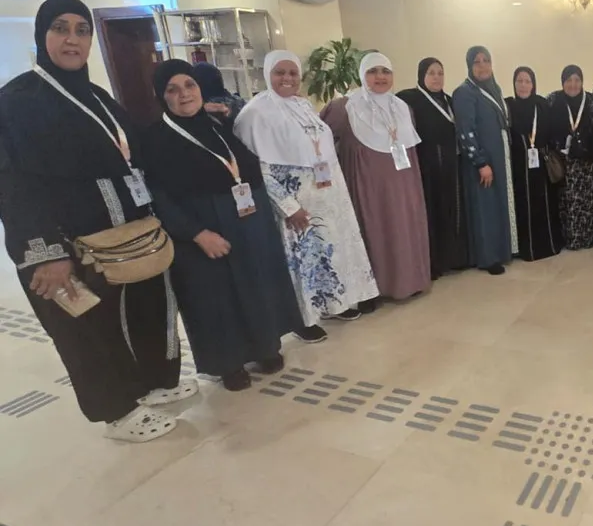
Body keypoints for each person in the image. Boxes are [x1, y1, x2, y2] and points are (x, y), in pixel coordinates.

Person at [0, 0, 191, 442]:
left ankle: (150, 384)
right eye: (60, 28)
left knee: (137, 313)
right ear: (42, 35)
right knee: (88, 330)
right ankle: (117, 413)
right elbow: (12, 183)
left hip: (125, 237)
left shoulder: (97, 96)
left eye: (81, 30)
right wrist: (46, 253)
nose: (72, 39)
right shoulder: (17, 102)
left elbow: (133, 150)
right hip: (67, 245)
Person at [142, 60, 303, 391]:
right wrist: (197, 234)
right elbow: (159, 198)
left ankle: (265, 346)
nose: (184, 94)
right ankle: (229, 364)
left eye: (190, 85)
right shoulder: (154, 140)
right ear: (161, 97)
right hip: (202, 229)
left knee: (256, 286)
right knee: (216, 299)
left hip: (247, 220)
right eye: (173, 90)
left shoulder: (216, 125)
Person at [234, 50, 378, 342]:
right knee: (301, 260)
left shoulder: (302, 105)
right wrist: (288, 207)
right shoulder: (254, 113)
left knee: (330, 254)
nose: (287, 78)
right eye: (280, 72)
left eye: (293, 73)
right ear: (267, 74)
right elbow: (256, 168)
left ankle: (333, 304)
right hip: (295, 201)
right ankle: (302, 318)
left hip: (326, 194)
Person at [321, 52, 431, 305]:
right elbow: (320, 141)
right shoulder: (344, 108)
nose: (380, 77)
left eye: (385, 71)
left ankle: (410, 282)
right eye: (373, 71)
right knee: (376, 231)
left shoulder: (402, 108)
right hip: (369, 189)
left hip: (404, 185)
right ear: (362, 75)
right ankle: (374, 289)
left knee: (404, 228)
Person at [398, 58, 469, 279]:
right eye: (431, 73)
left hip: (451, 165)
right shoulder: (409, 99)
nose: (437, 77)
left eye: (440, 73)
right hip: (426, 167)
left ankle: (453, 258)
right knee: (431, 211)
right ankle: (433, 263)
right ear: (422, 75)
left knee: (452, 210)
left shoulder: (449, 101)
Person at [453, 46, 515, 275]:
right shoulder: (464, 93)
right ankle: (488, 258)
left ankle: (501, 250)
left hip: (498, 157)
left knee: (496, 205)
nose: (482, 66)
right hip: (482, 162)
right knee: (485, 208)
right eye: (476, 62)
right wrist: (480, 162)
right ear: (469, 66)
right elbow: (465, 130)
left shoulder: (494, 89)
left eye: (486, 60)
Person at [507, 67, 563, 261]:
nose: (523, 85)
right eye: (519, 81)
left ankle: (549, 245)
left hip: (541, 162)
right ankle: (527, 249)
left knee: (545, 204)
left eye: (527, 81)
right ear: (514, 84)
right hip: (519, 166)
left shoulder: (541, 105)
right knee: (523, 205)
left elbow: (552, 131)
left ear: (533, 84)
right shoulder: (508, 107)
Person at [545, 65, 593, 250]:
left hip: (585, 161)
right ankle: (569, 238)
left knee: (586, 201)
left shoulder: (590, 101)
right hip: (563, 161)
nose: (573, 84)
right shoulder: (553, 100)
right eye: (568, 80)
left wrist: (588, 148)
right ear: (563, 82)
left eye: (577, 80)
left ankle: (589, 237)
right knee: (566, 201)